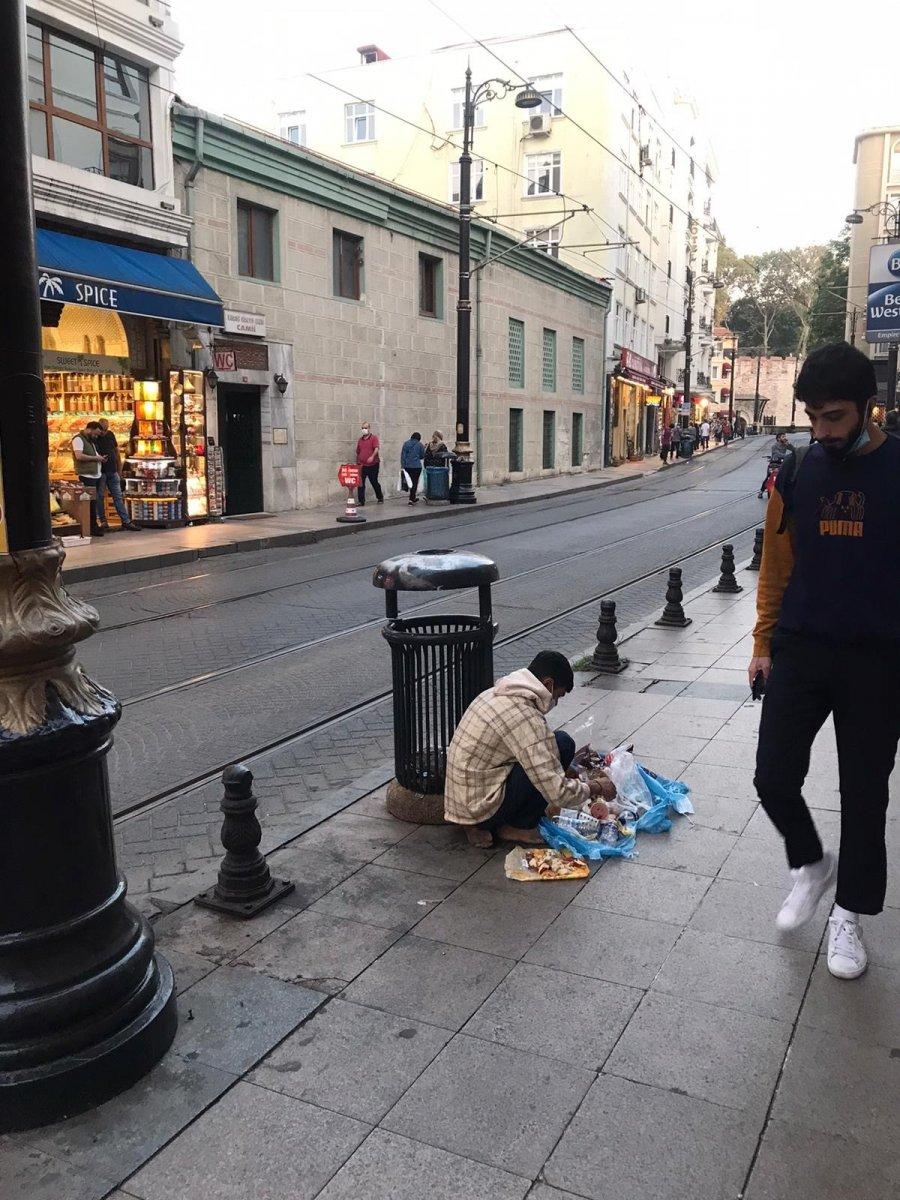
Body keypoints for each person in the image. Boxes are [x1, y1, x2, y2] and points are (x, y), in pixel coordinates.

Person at [748, 342, 900, 981]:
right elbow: (776, 564)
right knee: (772, 776)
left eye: (833, 417)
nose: (821, 431)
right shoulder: (798, 473)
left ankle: (850, 915)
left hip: (878, 659)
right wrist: (761, 642)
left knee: (864, 796)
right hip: (803, 648)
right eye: (812, 417)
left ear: (869, 408)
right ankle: (810, 862)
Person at [444, 650, 609, 847]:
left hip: (462, 801)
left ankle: (474, 826)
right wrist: (596, 787)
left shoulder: (499, 691)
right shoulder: (525, 716)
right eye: (558, 695)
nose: (555, 702)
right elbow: (557, 792)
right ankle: (517, 827)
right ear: (548, 684)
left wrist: (566, 772)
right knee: (557, 751)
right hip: (480, 809)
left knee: (560, 742)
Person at [94, 418, 139, 531]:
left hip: (112, 471)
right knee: (100, 497)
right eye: (102, 429)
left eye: (106, 429)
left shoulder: (110, 435)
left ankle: (125, 521)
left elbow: (116, 451)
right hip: (101, 472)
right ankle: (103, 521)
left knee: (118, 496)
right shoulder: (95, 438)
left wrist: (119, 469)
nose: (104, 432)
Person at [71, 420, 107, 536]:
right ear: (89, 429)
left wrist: (100, 458)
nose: (96, 436)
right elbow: (79, 456)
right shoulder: (78, 439)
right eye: (95, 434)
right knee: (90, 503)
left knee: (94, 502)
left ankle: (94, 526)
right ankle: (92, 527)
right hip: (87, 476)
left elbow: (92, 455)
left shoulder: (89, 441)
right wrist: (96, 459)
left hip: (95, 475)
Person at [355, 421, 383, 505]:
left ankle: (380, 497)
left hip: (373, 464)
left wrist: (372, 456)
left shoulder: (374, 438)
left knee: (374, 481)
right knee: (360, 483)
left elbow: (376, 448)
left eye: (365, 428)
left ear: (369, 429)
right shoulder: (360, 440)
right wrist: (358, 461)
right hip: (362, 465)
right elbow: (358, 451)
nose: (364, 429)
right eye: (362, 428)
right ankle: (361, 501)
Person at [758, 431, 790, 498]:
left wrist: (789, 444)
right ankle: (761, 491)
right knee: (769, 477)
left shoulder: (785, 444)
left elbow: (793, 449)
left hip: (782, 464)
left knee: (786, 477)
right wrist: (787, 456)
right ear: (778, 438)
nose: (785, 438)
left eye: (785, 436)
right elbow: (777, 454)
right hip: (774, 464)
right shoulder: (774, 446)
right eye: (783, 437)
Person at [400, 431, 425, 504]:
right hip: (416, 467)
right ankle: (411, 499)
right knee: (415, 482)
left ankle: (412, 497)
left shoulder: (406, 444)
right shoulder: (420, 445)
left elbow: (403, 456)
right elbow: (422, 456)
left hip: (407, 466)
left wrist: (403, 466)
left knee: (409, 482)